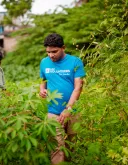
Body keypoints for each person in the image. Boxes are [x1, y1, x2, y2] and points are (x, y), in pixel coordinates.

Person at [39, 33, 86, 164]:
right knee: (57, 147)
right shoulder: (44, 62)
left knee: (71, 147)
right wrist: (41, 90)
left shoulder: (75, 62)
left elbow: (78, 87)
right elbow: (43, 80)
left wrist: (68, 108)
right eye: (48, 52)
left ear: (63, 47)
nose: (51, 55)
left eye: (54, 51)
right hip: (53, 110)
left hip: (72, 110)